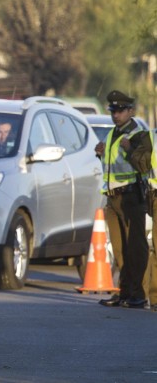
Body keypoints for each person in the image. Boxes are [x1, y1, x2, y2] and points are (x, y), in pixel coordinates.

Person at [95, 90, 152, 309]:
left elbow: (144, 164)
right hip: (112, 198)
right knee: (119, 249)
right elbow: (112, 164)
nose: (115, 115)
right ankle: (125, 292)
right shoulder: (113, 133)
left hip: (131, 197)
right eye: (113, 111)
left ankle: (138, 294)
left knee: (135, 248)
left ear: (131, 111)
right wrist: (100, 153)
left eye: (120, 111)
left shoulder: (138, 134)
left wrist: (130, 151)